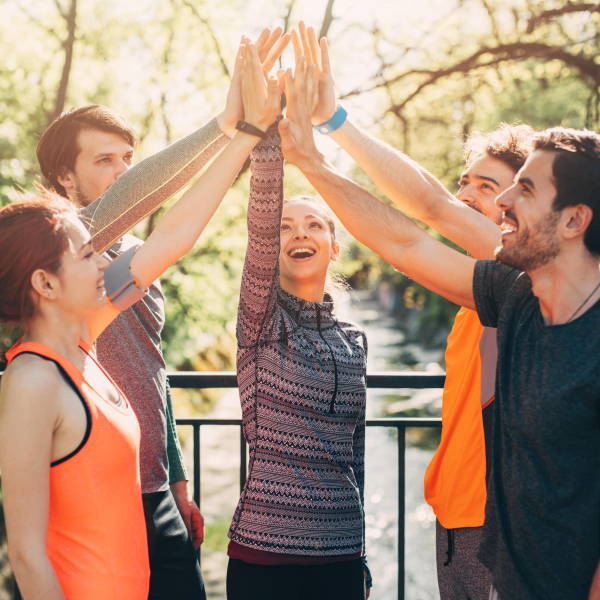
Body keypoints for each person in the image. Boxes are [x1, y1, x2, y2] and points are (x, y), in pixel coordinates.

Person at [279, 56, 600, 600]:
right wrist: (317, 150)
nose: (498, 204)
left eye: (523, 191)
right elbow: (410, 237)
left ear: (574, 220)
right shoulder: (513, 295)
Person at [0, 40, 283, 600]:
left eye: (125, 159)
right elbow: (29, 557)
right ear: (46, 282)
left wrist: (248, 134)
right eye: (104, 159)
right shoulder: (57, 244)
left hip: (152, 509)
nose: (99, 261)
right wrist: (224, 125)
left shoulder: (87, 325)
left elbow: (174, 236)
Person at [224, 45, 371, 600]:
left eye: (314, 225)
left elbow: (355, 452)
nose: (299, 234)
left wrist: (359, 555)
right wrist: (269, 133)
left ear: (334, 247)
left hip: (341, 552)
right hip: (267, 554)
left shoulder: (354, 341)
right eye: (288, 227)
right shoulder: (261, 319)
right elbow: (260, 222)